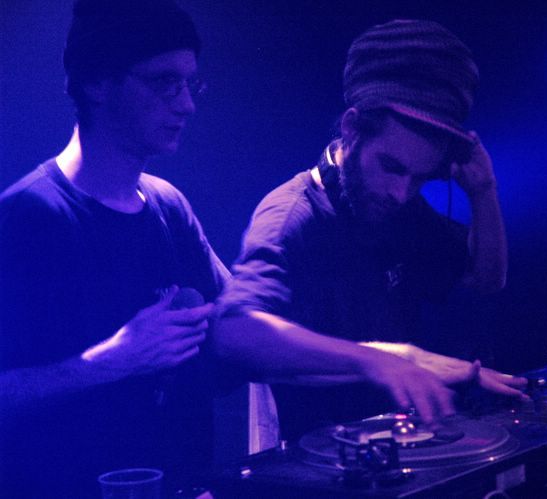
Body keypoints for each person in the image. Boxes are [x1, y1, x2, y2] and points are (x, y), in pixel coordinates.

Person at [0, 3, 464, 496]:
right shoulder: (27, 218)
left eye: (190, 83)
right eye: (164, 82)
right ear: (97, 82)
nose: (186, 104)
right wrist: (111, 359)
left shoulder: (168, 206)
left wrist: (393, 358)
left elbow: (242, 334)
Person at [214, 19, 527, 442]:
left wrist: (484, 192)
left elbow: (486, 280)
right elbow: (234, 331)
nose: (401, 192)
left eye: (420, 179)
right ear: (351, 128)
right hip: (324, 458)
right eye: (391, 167)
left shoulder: (399, 207)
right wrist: (383, 358)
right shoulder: (292, 216)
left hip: (396, 446)